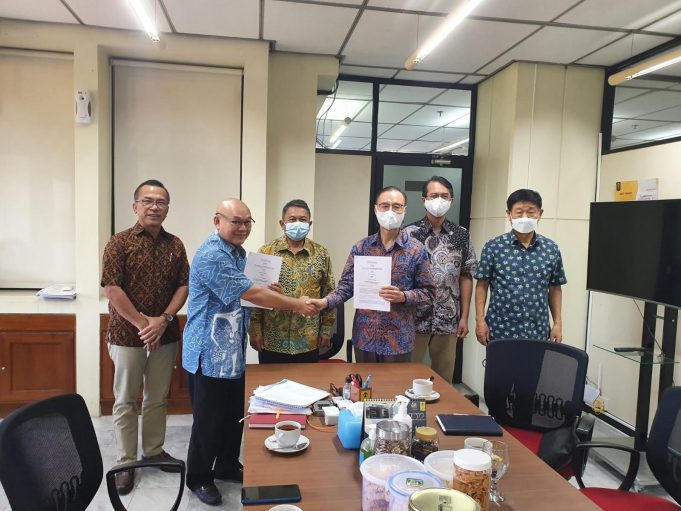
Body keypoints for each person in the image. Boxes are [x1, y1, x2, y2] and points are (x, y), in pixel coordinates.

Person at [182, 198, 318, 506]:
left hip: (232, 351)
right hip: (208, 353)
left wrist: (270, 294)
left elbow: (248, 296)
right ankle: (199, 477)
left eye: (247, 222)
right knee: (208, 421)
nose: (243, 228)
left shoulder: (239, 253)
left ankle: (227, 466)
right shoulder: (213, 255)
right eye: (236, 222)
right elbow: (249, 292)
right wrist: (295, 304)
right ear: (217, 221)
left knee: (234, 416)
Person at [101, 179, 190, 495]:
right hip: (127, 335)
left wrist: (163, 320)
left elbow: (183, 285)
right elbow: (112, 289)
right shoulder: (118, 243)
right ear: (135, 206)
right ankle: (125, 462)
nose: (155, 206)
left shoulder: (175, 245)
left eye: (161, 202)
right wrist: (144, 324)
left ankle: (153, 451)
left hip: (165, 334)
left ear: (167, 208)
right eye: (148, 201)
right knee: (125, 400)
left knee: (157, 398)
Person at [308, 186, 434, 362]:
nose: (390, 211)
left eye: (396, 207)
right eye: (384, 206)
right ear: (376, 209)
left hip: (398, 339)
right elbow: (346, 287)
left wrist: (403, 296)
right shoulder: (361, 247)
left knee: (395, 381)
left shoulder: (416, 250)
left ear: (404, 210)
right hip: (365, 337)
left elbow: (429, 293)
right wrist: (325, 302)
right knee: (364, 381)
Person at [403, 176, 477, 384]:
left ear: (451, 200)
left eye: (444, 196)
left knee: (444, 380)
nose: (439, 200)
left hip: (448, 318)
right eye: (434, 195)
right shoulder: (408, 234)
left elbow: (466, 276)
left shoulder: (462, 235)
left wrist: (464, 317)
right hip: (413, 319)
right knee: (408, 377)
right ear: (424, 200)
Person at [474, 189, 567, 345]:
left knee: (536, 362)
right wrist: (480, 321)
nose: (525, 217)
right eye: (519, 212)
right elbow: (482, 285)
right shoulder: (494, 247)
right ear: (509, 214)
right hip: (500, 330)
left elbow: (555, 287)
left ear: (540, 214)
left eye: (531, 212)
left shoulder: (551, 249)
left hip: (537, 331)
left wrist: (557, 324)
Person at [248, 199, 336, 363]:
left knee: (306, 380)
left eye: (302, 220)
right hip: (273, 339)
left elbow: (329, 293)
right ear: (282, 224)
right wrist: (254, 330)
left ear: (309, 224)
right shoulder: (266, 252)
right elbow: (255, 295)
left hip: (308, 340)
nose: (298, 224)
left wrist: (326, 329)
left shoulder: (321, 254)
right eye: (292, 219)